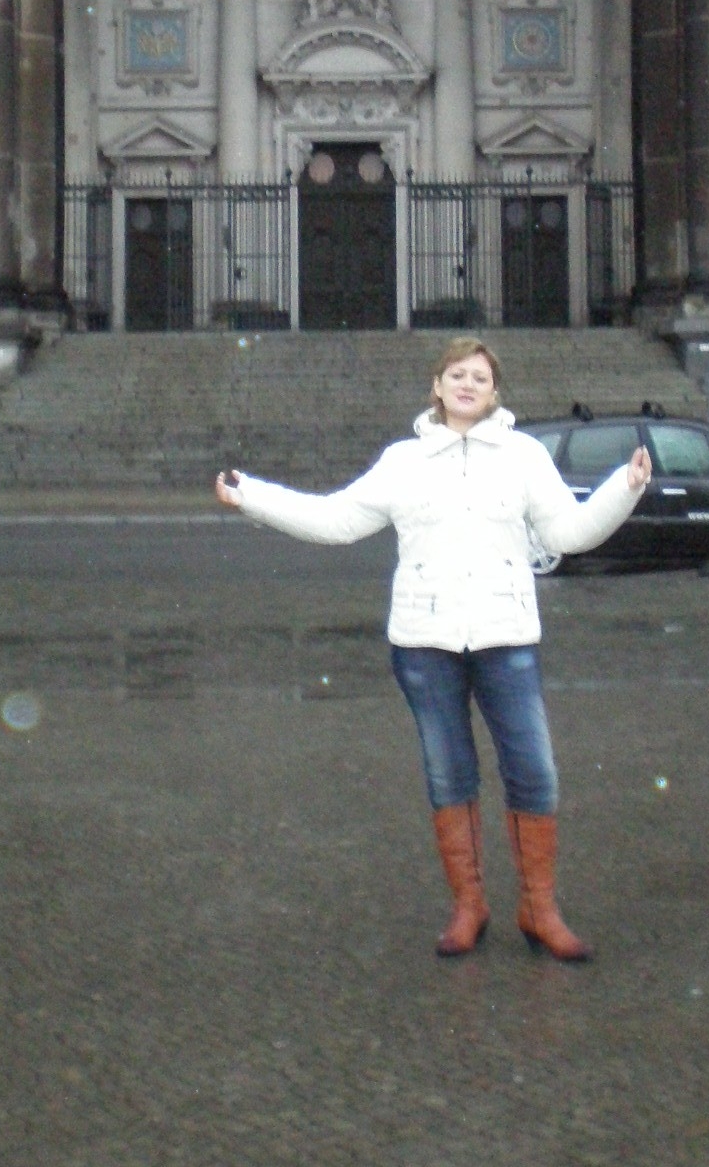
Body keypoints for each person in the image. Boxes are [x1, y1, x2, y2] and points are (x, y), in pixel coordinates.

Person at [215, 336, 651, 963]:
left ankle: (540, 907)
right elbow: (337, 520)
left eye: (480, 377)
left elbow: (569, 532)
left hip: (506, 638)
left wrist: (623, 488)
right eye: (457, 375)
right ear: (437, 386)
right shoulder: (404, 461)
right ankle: (469, 906)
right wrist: (253, 496)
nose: (467, 385)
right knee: (450, 774)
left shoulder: (524, 457)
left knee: (534, 772)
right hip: (424, 645)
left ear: (494, 392)